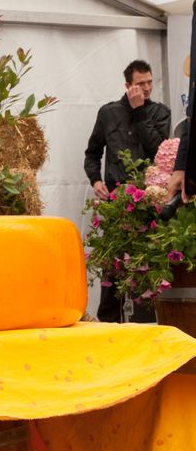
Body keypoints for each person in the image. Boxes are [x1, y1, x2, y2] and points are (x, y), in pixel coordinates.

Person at [85, 59, 170, 322]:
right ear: (127, 85)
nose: (146, 88)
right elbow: (93, 152)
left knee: (144, 265)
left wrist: (140, 111)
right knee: (112, 264)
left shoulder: (159, 112)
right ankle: (108, 322)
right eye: (139, 83)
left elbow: (159, 151)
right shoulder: (108, 112)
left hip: (147, 201)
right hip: (115, 200)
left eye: (149, 82)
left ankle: (143, 324)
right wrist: (95, 180)